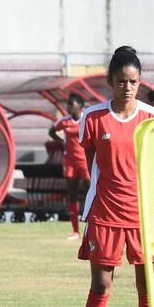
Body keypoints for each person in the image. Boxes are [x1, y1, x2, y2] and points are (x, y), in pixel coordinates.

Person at [76, 46, 154, 307]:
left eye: (133, 82)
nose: (127, 87)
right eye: (121, 81)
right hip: (105, 214)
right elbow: (93, 167)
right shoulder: (92, 117)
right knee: (101, 286)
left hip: (144, 217)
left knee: (147, 288)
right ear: (110, 81)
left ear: (140, 82)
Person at [49, 94, 90, 240]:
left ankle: (91, 229)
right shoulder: (64, 121)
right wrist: (61, 142)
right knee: (72, 195)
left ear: (80, 106)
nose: (69, 107)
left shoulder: (87, 119)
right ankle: (75, 231)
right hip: (70, 162)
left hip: (85, 161)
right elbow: (52, 131)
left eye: (72, 104)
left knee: (90, 194)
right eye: (68, 104)